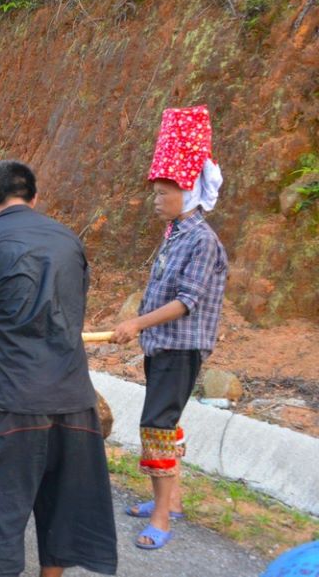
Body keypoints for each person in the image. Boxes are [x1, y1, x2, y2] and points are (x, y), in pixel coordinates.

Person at [0, 160, 117, 577]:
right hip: (76, 399)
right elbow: (75, 308)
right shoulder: (69, 240)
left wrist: (7, 344)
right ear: (34, 198)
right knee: (61, 507)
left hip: (16, 401)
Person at [111, 105, 228, 551]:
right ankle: (171, 500)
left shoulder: (201, 239)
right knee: (168, 420)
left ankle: (161, 516)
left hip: (181, 347)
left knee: (156, 424)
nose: (156, 199)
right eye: (156, 191)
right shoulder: (177, 233)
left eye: (164, 192)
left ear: (190, 191)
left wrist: (136, 322)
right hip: (162, 345)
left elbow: (188, 301)